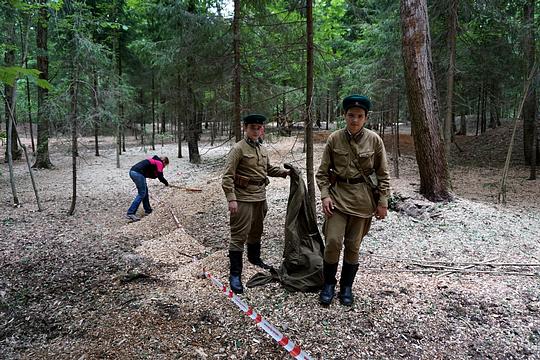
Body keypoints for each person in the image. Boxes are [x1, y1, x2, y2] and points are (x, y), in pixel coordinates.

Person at [316, 95, 390, 306]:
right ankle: (329, 283)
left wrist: (383, 202)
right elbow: (322, 173)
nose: (354, 120)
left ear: (366, 118)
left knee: (353, 245)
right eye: (350, 115)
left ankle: (346, 287)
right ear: (344, 116)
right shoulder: (335, 139)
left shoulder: (375, 140)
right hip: (338, 197)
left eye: (359, 116)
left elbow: (383, 173)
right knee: (332, 242)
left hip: (363, 200)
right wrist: (325, 195)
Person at [222, 114, 289, 294]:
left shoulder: (262, 148)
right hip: (243, 198)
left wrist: (285, 173)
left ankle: (254, 258)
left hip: (260, 197)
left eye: (259, 128)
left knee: (256, 230)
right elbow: (227, 176)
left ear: (262, 130)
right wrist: (232, 198)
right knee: (238, 235)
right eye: (252, 127)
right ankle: (235, 274)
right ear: (245, 128)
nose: (256, 131)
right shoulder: (238, 149)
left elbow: (268, 169)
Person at [126, 155, 169, 222]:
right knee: (142, 193)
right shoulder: (159, 163)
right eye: (165, 165)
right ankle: (130, 213)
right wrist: (166, 183)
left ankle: (148, 210)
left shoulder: (154, 161)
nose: (164, 167)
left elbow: (153, 174)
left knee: (145, 192)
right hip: (138, 174)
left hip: (133, 172)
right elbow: (160, 176)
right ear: (164, 161)